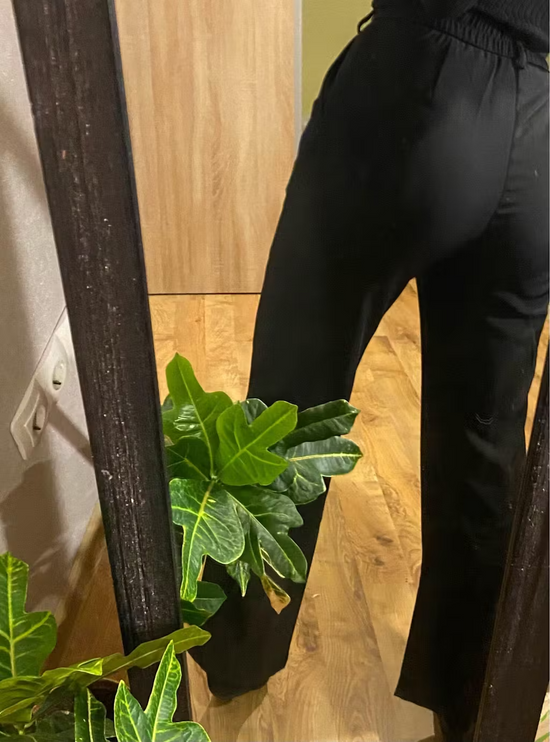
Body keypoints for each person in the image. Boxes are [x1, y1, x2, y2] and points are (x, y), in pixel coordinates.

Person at [191, 1, 549, 739]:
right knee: (485, 435)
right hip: (539, 123)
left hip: (413, 79)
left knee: (293, 395)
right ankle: (474, 700)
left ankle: (240, 654)